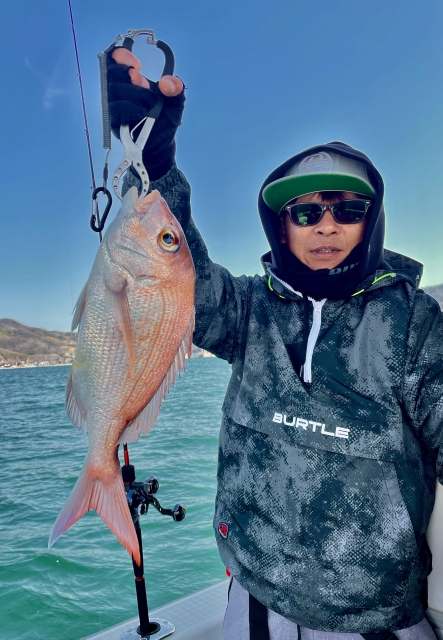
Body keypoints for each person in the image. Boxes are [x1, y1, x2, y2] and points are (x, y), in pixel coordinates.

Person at [107, 47, 443, 640]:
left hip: (374, 617)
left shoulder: (414, 322)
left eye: (348, 209)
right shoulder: (248, 309)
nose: (327, 225)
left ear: (372, 220)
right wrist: (154, 163)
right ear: (281, 227)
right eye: (305, 213)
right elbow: (176, 274)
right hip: (254, 595)